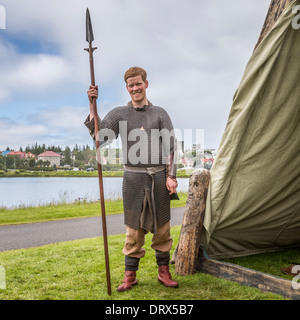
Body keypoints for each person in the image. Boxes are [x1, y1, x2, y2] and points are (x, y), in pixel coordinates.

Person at [85, 66, 179, 292]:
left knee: (163, 229)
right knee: (133, 232)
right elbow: (100, 137)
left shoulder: (160, 113)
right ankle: (130, 277)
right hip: (133, 179)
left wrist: (171, 176)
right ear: (126, 88)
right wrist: (92, 105)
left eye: (139, 83)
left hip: (158, 177)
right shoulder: (119, 114)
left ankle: (163, 273)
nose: (135, 88)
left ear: (146, 84)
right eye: (131, 85)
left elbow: (171, 147)